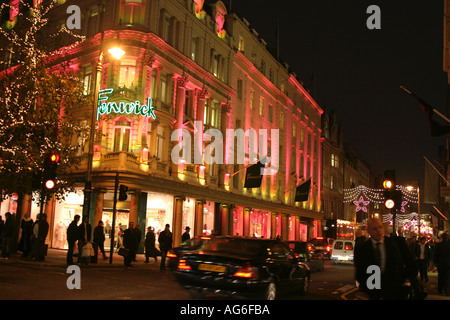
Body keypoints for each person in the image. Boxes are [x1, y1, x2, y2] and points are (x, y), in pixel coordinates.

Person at [354, 217, 417, 300]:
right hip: (373, 291)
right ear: (368, 231)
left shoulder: (394, 244)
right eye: (374, 229)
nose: (378, 231)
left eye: (380, 227)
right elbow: (360, 272)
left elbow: (410, 263)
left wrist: (403, 280)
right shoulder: (362, 248)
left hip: (394, 290)